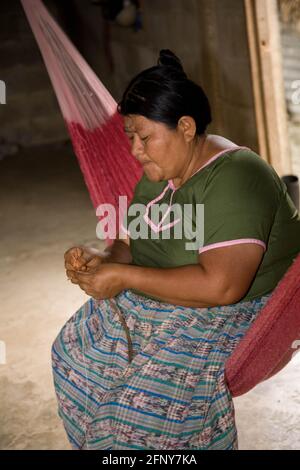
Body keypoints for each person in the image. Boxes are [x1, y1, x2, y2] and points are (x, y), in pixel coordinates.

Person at [52, 49, 300, 450]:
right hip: (170, 295)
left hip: (235, 311)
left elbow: (222, 287)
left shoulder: (235, 176)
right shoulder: (160, 173)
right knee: (73, 352)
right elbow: (130, 244)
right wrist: (101, 262)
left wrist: (123, 277)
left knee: (138, 411)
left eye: (144, 136)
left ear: (185, 126)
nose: (135, 150)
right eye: (130, 137)